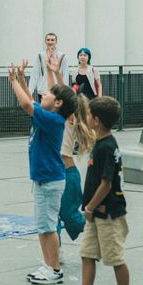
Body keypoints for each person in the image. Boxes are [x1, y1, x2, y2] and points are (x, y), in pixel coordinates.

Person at [54, 96, 138, 285]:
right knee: (88, 254)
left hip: (108, 213)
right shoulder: (99, 142)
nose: (86, 118)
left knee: (115, 257)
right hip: (95, 213)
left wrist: (90, 207)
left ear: (97, 120)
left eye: (89, 115)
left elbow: (106, 183)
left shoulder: (107, 146)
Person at [9, 61, 77, 284]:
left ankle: (55, 269)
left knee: (49, 228)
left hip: (49, 181)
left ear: (57, 103)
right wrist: (21, 80)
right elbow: (33, 103)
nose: (43, 94)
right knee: (43, 227)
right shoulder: (48, 115)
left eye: (47, 93)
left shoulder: (54, 120)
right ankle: (48, 264)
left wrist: (13, 83)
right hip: (42, 179)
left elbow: (28, 105)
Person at [47, 56, 96, 258]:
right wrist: (52, 72)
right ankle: (55, 250)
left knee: (70, 216)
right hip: (53, 173)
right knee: (52, 217)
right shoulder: (52, 118)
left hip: (68, 175)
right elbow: (56, 93)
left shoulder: (69, 118)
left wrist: (57, 73)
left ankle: (97, 232)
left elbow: (63, 93)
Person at [28, 33, 69, 102]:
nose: (50, 42)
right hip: (43, 91)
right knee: (43, 112)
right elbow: (35, 74)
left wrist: (65, 91)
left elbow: (65, 74)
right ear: (45, 41)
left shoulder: (62, 56)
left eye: (52, 40)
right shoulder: (40, 56)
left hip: (57, 91)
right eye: (48, 40)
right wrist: (30, 92)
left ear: (56, 41)